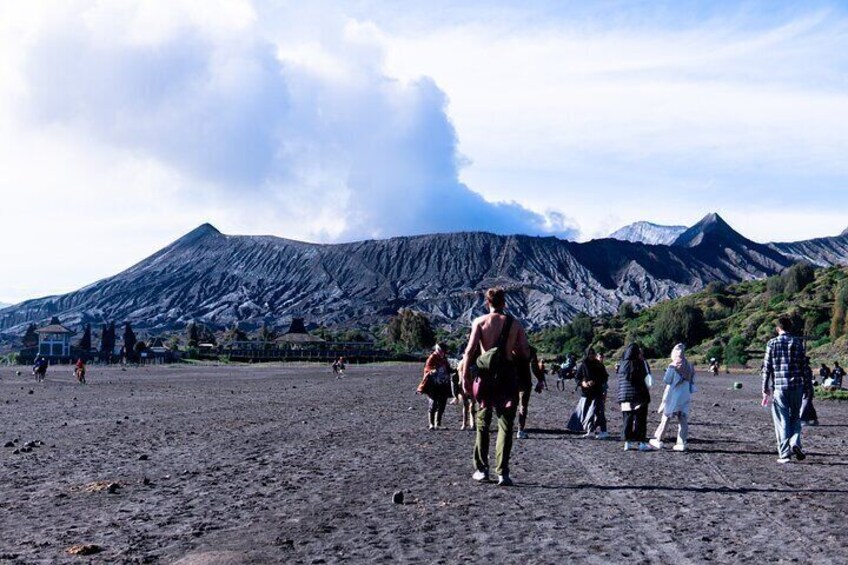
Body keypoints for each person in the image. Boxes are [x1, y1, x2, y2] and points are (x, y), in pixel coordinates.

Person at [460, 287, 530, 486]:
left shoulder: (479, 322)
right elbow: (525, 352)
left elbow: (469, 351)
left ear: (487, 303)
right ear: (504, 303)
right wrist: (513, 348)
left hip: (484, 377)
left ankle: (482, 469)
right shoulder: (515, 324)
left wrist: (464, 378)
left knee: (483, 422)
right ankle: (503, 473)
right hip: (507, 375)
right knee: (505, 425)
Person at [762, 316, 812, 464]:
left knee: (781, 420)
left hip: (780, 387)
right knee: (795, 417)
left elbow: (767, 367)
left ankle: (784, 454)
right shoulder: (798, 343)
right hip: (797, 387)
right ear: (790, 328)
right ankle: (795, 441)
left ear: (778, 328)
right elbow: (805, 368)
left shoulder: (772, 343)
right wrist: (808, 387)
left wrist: (765, 387)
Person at [649, 344, 696, 451]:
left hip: (673, 393)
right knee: (682, 418)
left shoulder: (673, 365)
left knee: (666, 416)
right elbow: (693, 379)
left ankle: (659, 439)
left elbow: (667, 380)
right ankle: (682, 442)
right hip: (685, 393)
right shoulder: (689, 365)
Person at [617, 344, 655, 451]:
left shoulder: (622, 364)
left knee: (627, 420)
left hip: (624, 396)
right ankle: (641, 443)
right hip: (639, 395)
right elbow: (647, 380)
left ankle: (627, 443)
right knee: (640, 420)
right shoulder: (640, 363)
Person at [567, 347, 609, 438]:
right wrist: (583, 383)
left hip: (597, 392)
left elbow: (605, 377)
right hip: (587, 393)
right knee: (588, 412)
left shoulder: (599, 365)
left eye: (593, 354)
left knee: (597, 412)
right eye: (589, 354)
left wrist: (595, 381)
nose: (591, 355)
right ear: (586, 355)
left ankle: (604, 431)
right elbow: (577, 377)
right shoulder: (583, 365)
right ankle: (591, 431)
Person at [417, 344, 453, 430]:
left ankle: (438, 424)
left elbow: (448, 369)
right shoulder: (432, 357)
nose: (441, 353)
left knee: (442, 404)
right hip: (433, 384)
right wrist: (432, 370)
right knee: (433, 403)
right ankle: (431, 424)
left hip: (443, 384)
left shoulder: (444, 359)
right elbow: (427, 368)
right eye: (440, 351)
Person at [516, 346, 546, 439]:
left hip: (511, 380)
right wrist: (540, 380)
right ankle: (520, 431)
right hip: (525, 380)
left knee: (510, 406)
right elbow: (534, 367)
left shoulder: (508, 345)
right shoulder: (530, 350)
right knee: (523, 406)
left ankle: (507, 429)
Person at [800, 356, 818, 427]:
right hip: (807, 388)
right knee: (809, 405)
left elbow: (806, 380)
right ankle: (814, 420)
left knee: (805, 404)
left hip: (807, 389)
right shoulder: (806, 368)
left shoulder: (805, 369)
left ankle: (803, 420)